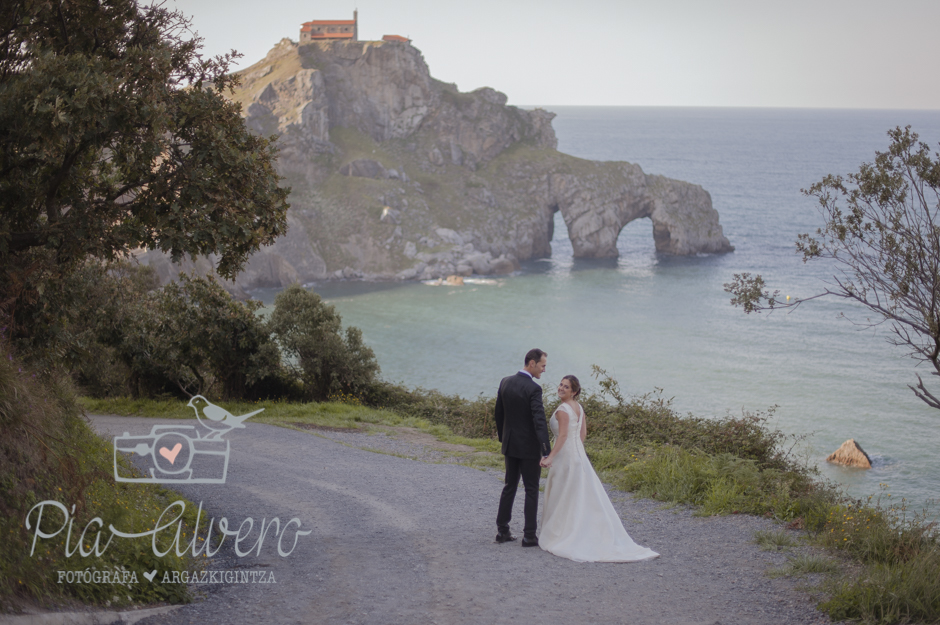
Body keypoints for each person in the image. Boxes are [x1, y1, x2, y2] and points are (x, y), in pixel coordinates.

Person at [538, 374, 659, 562]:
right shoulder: (579, 408)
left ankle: (561, 532)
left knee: (563, 494)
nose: (561, 388)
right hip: (577, 455)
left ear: (574, 391)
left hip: (565, 457)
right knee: (577, 493)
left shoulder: (562, 410)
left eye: (566, 387)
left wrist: (550, 457)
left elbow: (562, 436)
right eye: (561, 385)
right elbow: (582, 434)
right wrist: (576, 450)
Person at [494, 348, 552, 547]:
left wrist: (504, 438)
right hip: (529, 448)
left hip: (510, 444)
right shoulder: (534, 389)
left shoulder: (505, 382)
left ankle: (502, 531)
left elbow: (498, 413)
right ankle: (529, 536)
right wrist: (546, 449)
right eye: (543, 365)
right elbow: (539, 420)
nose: (544, 370)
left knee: (509, 486)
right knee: (531, 489)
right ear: (532, 363)